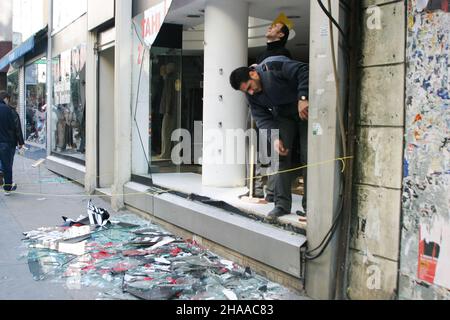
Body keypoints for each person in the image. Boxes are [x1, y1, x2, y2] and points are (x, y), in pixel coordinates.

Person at [229, 56, 309, 221]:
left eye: (250, 87)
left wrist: (303, 97)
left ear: (254, 74)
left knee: (308, 156)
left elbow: (304, 70)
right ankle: (281, 205)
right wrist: (274, 138)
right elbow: (261, 118)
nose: (251, 93)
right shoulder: (250, 95)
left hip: (304, 108)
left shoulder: (274, 66)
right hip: (283, 115)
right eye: (246, 91)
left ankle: (310, 207)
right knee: (279, 156)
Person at [246, 21, 293, 201]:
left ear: (281, 35)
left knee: (275, 148)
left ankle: (272, 192)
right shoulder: (261, 54)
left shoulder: (284, 54)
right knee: (255, 145)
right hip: (260, 105)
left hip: (275, 108)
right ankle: (255, 187)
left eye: (274, 26)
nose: (269, 27)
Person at [0, 91, 24, 195]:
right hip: (6, 143)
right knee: (7, 166)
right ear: (6, 99)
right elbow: (15, 127)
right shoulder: (8, 110)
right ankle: (7, 188)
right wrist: (20, 142)